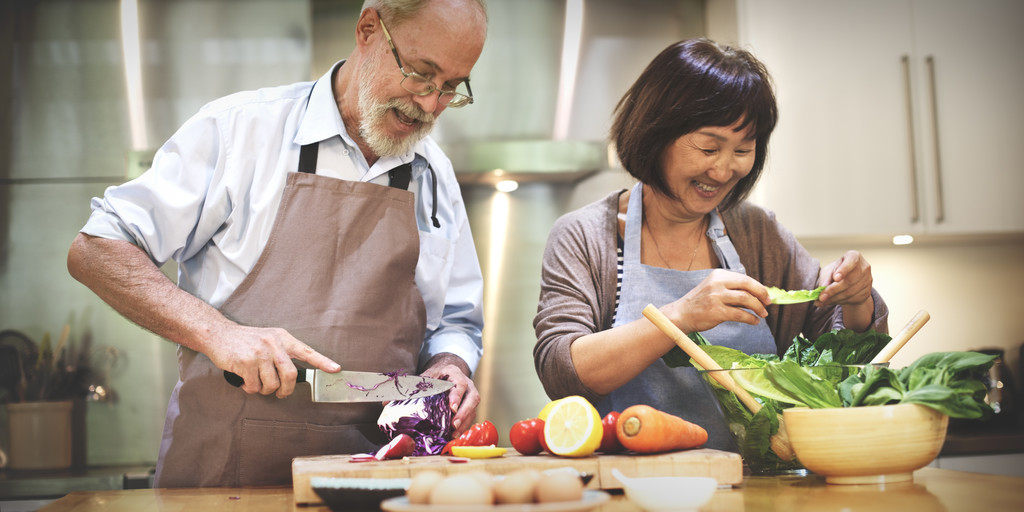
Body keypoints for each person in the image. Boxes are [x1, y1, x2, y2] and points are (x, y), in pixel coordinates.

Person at [67, 0, 487, 487]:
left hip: (379, 483)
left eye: (452, 87)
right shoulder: (240, 131)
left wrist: (450, 364)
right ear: (369, 29)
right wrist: (219, 333)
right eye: (420, 73)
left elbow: (456, 319)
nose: (432, 103)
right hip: (224, 481)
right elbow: (97, 247)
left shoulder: (435, 176)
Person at [532, 38, 889, 452]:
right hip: (632, 486)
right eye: (708, 147)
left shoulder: (756, 232)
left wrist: (856, 298)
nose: (723, 170)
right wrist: (680, 315)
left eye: (743, 149)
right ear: (656, 134)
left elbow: (841, 355)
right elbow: (562, 369)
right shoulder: (585, 236)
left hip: (760, 484)